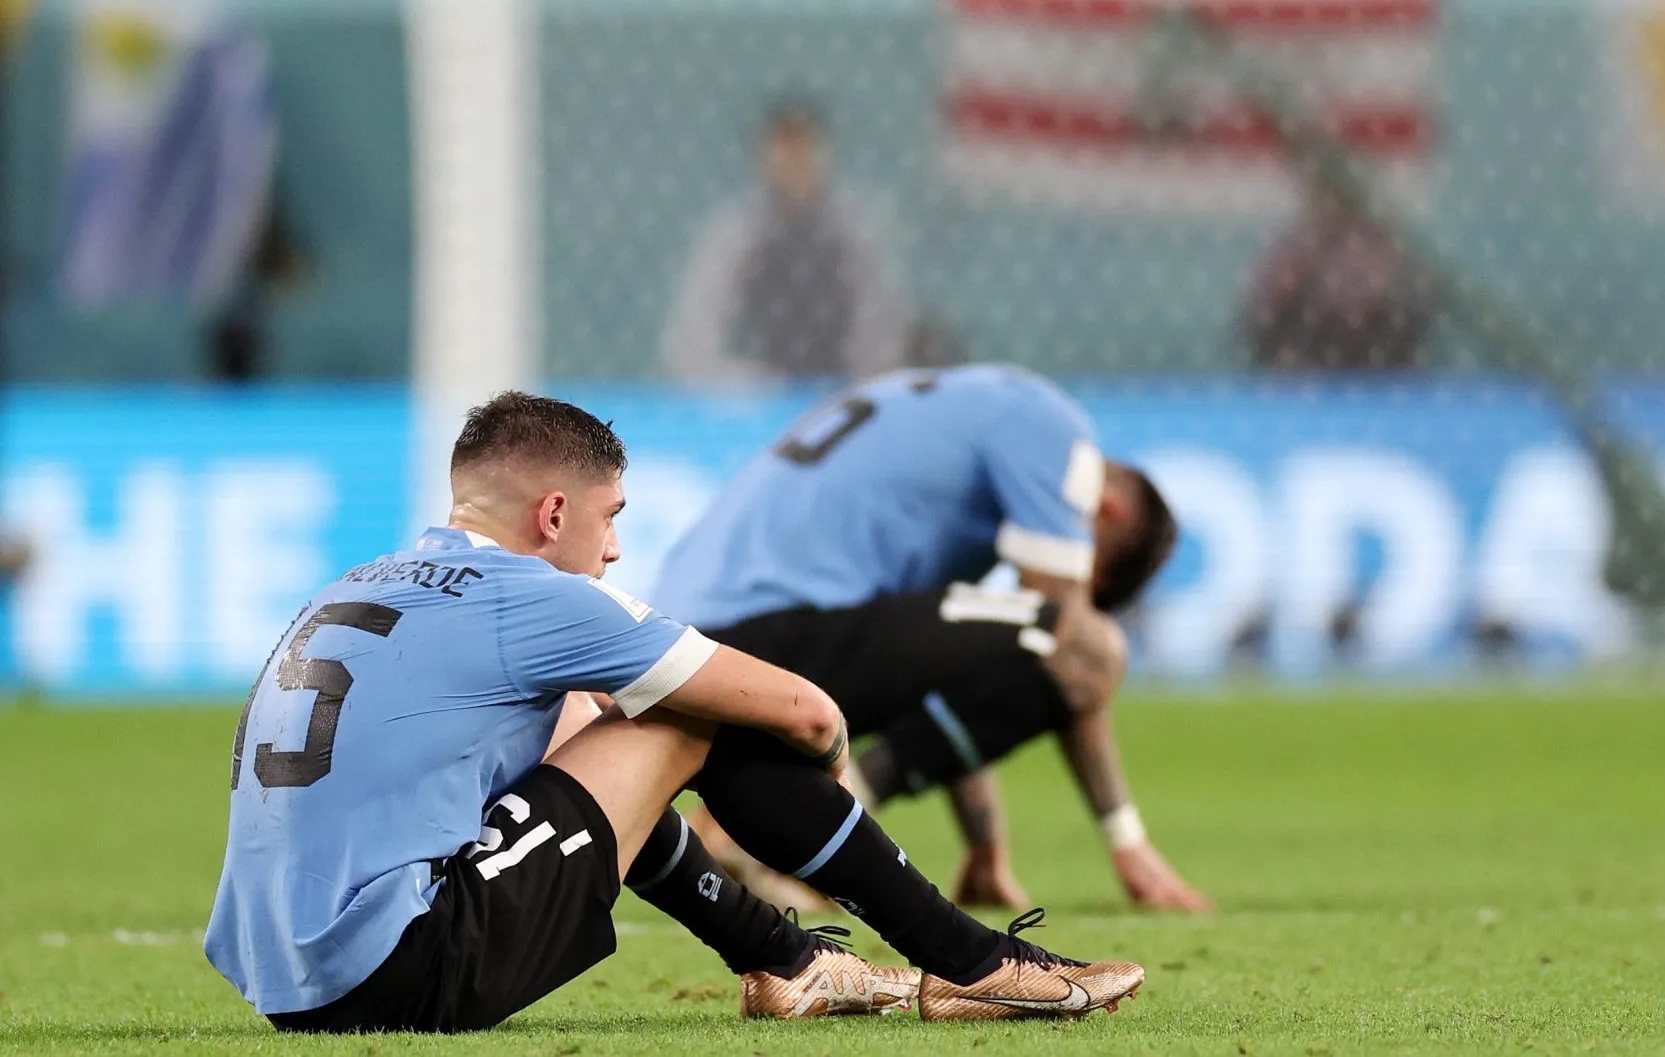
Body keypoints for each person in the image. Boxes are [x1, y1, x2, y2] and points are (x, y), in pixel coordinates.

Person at [207, 392, 1143, 1032]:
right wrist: (820, 774)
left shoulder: (357, 584)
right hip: (400, 965)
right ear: (553, 511)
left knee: (595, 732)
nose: (612, 549)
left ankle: (789, 961)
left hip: (282, 980)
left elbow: (592, 775)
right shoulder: (535, 597)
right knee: (685, 716)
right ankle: (975, 965)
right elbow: (807, 712)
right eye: (609, 517)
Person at [649, 363, 1210, 912]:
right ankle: (806, 830)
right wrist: (1126, 839)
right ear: (1106, 513)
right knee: (1092, 647)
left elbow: (947, 669)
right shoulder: (1058, 438)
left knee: (1025, 634)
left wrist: (983, 846)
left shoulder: (970, 405)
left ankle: (762, 827)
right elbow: (1072, 643)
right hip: (763, 633)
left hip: (695, 641)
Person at [663, 104, 912, 387]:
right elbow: (691, 339)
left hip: (840, 393)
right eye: (785, 149)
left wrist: (856, 385)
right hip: (758, 401)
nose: (796, 163)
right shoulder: (737, 234)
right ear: (761, 158)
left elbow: (882, 332)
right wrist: (750, 388)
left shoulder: (854, 232)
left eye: (804, 149)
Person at [1242, 170, 1434, 372]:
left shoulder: (1377, 243)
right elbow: (1267, 296)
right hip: (1312, 340)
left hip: (1372, 340)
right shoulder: (1302, 241)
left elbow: (1402, 292)